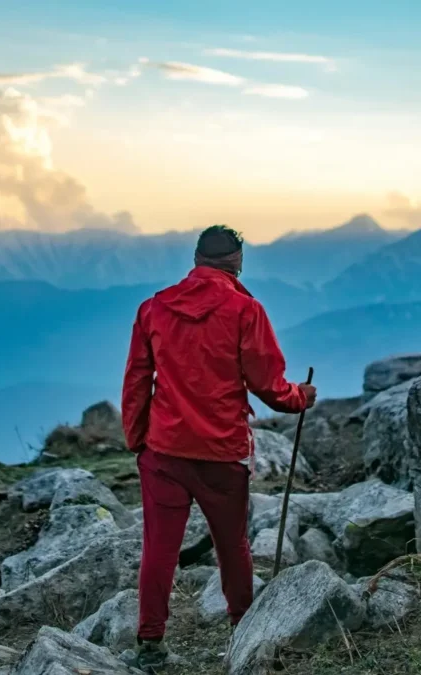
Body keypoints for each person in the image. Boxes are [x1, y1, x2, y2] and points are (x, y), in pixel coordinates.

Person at [121, 224, 317, 671]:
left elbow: (136, 380)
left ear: (195, 258)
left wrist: (138, 440)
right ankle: (242, 632)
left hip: (164, 452)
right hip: (222, 454)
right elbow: (268, 385)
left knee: (158, 550)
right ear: (238, 261)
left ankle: (150, 645)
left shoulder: (153, 308)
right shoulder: (246, 311)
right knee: (232, 547)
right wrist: (299, 398)